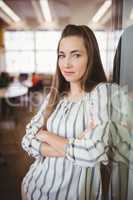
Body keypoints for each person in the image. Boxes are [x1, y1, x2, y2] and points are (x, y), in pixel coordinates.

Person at [21, 24, 132, 200]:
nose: (66, 63)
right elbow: (27, 140)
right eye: (62, 56)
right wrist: (74, 143)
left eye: (76, 55)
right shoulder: (55, 96)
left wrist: (45, 136)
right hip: (34, 187)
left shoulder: (103, 92)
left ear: (91, 58)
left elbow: (94, 152)